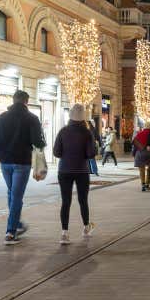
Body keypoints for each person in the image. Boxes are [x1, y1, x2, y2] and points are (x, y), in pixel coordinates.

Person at [0, 89, 47, 245]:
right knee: (16, 196)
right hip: (22, 162)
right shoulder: (32, 118)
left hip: (5, 161)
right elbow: (38, 142)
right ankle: (10, 232)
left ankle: (17, 224)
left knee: (12, 193)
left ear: (13, 100)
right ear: (26, 102)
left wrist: (0, 152)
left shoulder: (0, 118)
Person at [53, 104, 97, 244]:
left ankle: (64, 234)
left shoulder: (63, 131)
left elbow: (56, 153)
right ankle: (86, 228)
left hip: (64, 170)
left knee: (66, 202)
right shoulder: (87, 132)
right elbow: (91, 154)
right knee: (83, 200)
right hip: (81, 170)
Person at [133, 124, 150, 191]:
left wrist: (141, 148)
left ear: (144, 127)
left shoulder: (139, 134)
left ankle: (143, 184)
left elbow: (134, 142)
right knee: (149, 170)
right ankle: (147, 184)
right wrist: (149, 146)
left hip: (140, 153)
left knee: (142, 170)